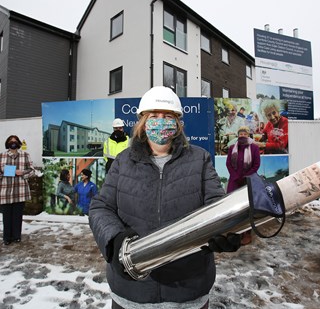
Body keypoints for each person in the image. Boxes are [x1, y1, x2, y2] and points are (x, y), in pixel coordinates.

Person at [89, 86, 241, 309]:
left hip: (188, 290)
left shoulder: (199, 159)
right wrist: (115, 241)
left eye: (167, 116)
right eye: (154, 116)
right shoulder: (123, 160)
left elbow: (215, 206)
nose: (161, 122)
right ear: (142, 121)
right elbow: (101, 208)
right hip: (131, 293)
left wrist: (224, 230)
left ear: (178, 122)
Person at [0, 135, 35, 245]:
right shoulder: (0, 156)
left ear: (18, 143)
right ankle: (7, 237)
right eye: (11, 141)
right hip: (5, 190)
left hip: (20, 190)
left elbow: (32, 171)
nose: (13, 143)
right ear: (7, 143)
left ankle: (17, 236)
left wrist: (23, 172)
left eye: (15, 141)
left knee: (17, 215)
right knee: (6, 216)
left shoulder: (25, 155)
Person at [226, 126, 261, 245]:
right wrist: (235, 176)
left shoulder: (254, 147)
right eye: (240, 133)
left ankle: (247, 234)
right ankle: (236, 233)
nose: (242, 135)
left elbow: (256, 165)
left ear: (248, 135)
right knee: (234, 207)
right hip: (234, 182)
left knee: (247, 208)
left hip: (249, 182)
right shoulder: (232, 148)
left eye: (244, 133)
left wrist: (247, 176)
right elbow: (228, 164)